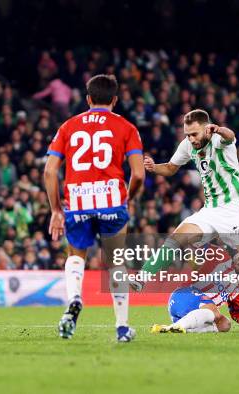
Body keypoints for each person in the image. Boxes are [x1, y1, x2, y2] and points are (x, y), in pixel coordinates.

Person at [140, 109, 239, 332]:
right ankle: (142, 277)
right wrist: (155, 168)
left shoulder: (219, 140)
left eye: (194, 134)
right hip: (210, 209)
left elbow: (230, 136)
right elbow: (172, 168)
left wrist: (219, 129)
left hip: (233, 208)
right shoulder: (187, 145)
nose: (190, 139)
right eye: (187, 134)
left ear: (206, 128)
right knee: (177, 238)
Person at [44, 74, 145, 342]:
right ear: (115, 99)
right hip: (112, 200)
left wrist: (55, 210)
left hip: (77, 201)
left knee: (76, 256)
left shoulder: (68, 126)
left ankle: (75, 299)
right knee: (115, 262)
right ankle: (122, 328)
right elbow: (138, 175)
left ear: (88, 99)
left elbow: (50, 171)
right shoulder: (127, 128)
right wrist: (127, 198)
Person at [151, 244, 239, 333]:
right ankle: (178, 326)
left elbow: (237, 314)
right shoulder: (221, 255)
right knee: (214, 311)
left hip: (193, 315)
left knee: (225, 324)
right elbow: (197, 245)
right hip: (182, 297)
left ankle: (174, 328)